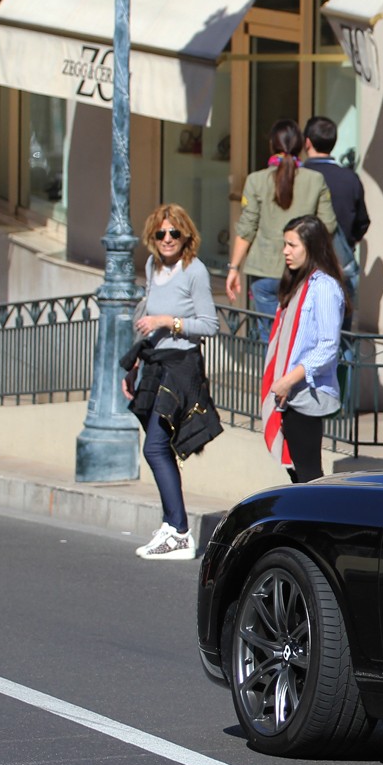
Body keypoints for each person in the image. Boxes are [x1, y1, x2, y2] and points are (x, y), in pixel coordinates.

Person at [120, 205, 220, 560]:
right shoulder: (152, 266)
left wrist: (168, 321)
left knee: (155, 447)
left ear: (186, 236)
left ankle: (179, 532)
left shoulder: (195, 271)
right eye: (161, 233)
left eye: (174, 233)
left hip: (181, 366)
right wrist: (134, 365)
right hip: (155, 363)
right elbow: (147, 321)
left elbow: (209, 325)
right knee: (159, 448)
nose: (167, 239)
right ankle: (171, 525)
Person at [260, 215, 347, 483]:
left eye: (292, 245)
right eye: (285, 244)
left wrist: (289, 380)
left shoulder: (324, 287)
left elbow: (328, 347)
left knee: (309, 475)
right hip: (290, 393)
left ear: (311, 246)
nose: (285, 251)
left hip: (307, 393)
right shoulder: (298, 284)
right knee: (297, 472)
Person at [227, 119, 336, 320]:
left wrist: (234, 268)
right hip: (303, 270)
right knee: (299, 331)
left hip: (264, 270)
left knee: (269, 334)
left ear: (272, 145)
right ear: (301, 145)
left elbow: (246, 229)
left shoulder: (256, 180)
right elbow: (328, 225)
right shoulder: (315, 180)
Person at [300, 115, 370, 311]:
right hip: (340, 263)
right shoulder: (349, 179)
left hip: (304, 265)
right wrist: (348, 241)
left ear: (307, 142)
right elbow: (362, 222)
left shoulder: (298, 177)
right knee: (340, 321)